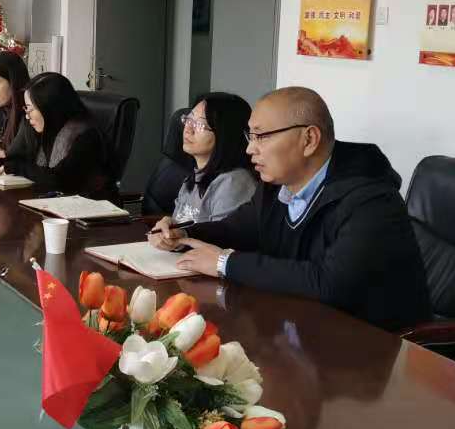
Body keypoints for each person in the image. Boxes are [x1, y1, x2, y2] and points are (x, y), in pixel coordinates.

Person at [148, 86, 430, 332]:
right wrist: (182, 234)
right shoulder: (276, 185)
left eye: (261, 137)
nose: (249, 150)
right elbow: (236, 229)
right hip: (299, 328)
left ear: (309, 139)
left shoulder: (371, 200)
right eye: (250, 136)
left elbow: (329, 283)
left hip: (369, 347)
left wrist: (225, 263)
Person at [0, 72, 113, 197]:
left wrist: (14, 167)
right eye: (26, 108)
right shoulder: (46, 128)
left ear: (49, 107)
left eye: (30, 109)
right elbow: (22, 160)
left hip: (87, 209)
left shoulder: (86, 136)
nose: (27, 116)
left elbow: (60, 180)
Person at [169, 93, 258, 225]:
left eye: (200, 124)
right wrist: (168, 225)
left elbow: (222, 236)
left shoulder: (233, 183)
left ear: (225, 135)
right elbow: (179, 225)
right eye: (189, 119)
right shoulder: (196, 176)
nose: (188, 129)